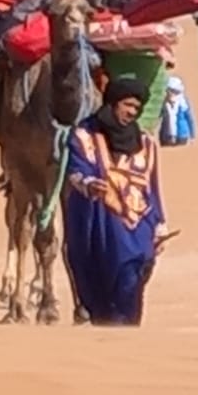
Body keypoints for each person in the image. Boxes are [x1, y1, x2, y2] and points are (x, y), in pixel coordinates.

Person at [62, 76, 170, 326]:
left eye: (136, 107)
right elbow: (76, 170)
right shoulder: (83, 136)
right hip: (98, 226)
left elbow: (152, 186)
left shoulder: (145, 143)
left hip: (136, 228)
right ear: (112, 103)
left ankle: (126, 339)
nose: (132, 112)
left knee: (131, 282)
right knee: (98, 293)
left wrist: (160, 223)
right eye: (127, 105)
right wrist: (88, 184)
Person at [158, 75, 196, 147]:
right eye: (170, 90)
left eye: (174, 91)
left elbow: (190, 119)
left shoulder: (184, 103)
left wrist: (193, 135)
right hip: (166, 136)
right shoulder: (163, 103)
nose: (172, 93)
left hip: (182, 136)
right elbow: (157, 117)